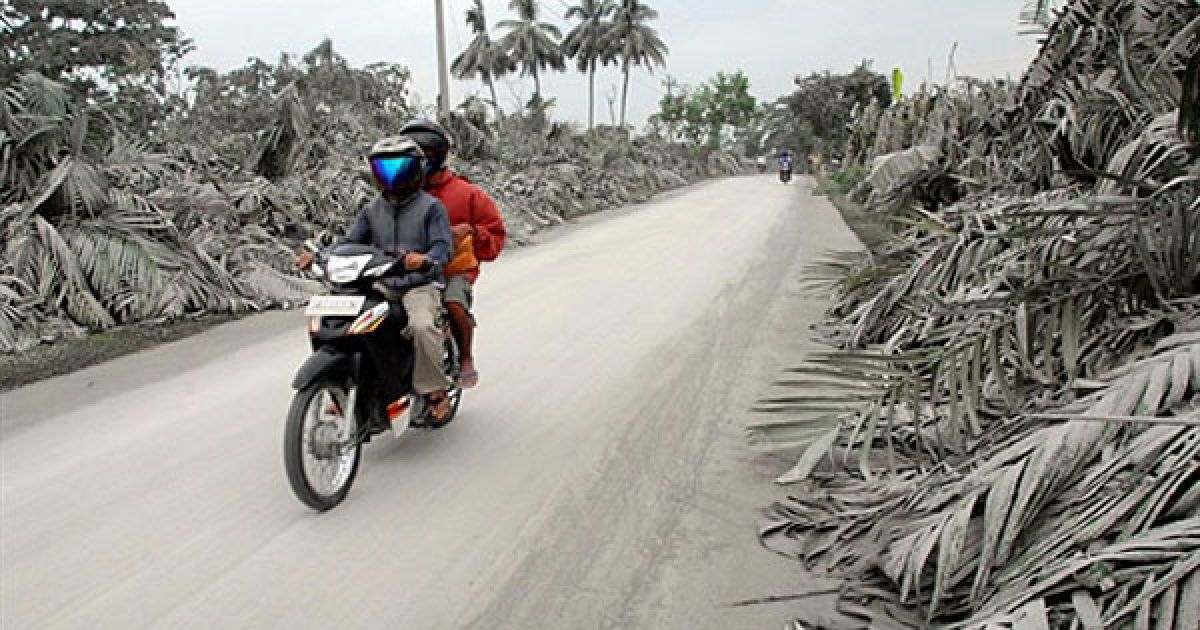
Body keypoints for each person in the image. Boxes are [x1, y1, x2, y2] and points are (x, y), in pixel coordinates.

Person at [298, 136, 454, 423]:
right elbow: (349, 243)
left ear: (416, 170)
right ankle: (344, 385)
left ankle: (434, 391)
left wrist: (425, 259)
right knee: (343, 322)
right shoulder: (371, 211)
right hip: (379, 283)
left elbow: (443, 248)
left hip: (417, 284)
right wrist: (321, 256)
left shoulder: (431, 208)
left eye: (400, 168)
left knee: (420, 326)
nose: (392, 176)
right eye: (384, 169)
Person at [399, 118, 506, 389]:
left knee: (454, 304)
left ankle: (465, 357)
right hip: (408, 270)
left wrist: (471, 232)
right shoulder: (399, 193)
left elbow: (494, 238)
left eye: (425, 154)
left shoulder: (468, 194)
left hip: (453, 270)